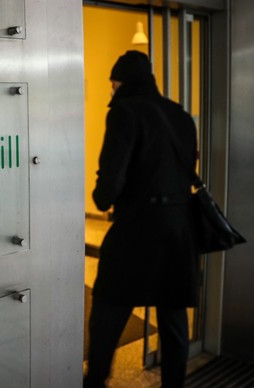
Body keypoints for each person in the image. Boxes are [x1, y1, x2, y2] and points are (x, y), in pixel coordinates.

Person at [84, 50, 200, 388]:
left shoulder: (124, 111)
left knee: (108, 304)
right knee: (173, 313)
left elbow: (112, 178)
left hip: (138, 227)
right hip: (179, 227)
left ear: (120, 82)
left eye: (112, 84)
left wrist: (102, 197)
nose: (111, 91)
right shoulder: (179, 114)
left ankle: (96, 379)